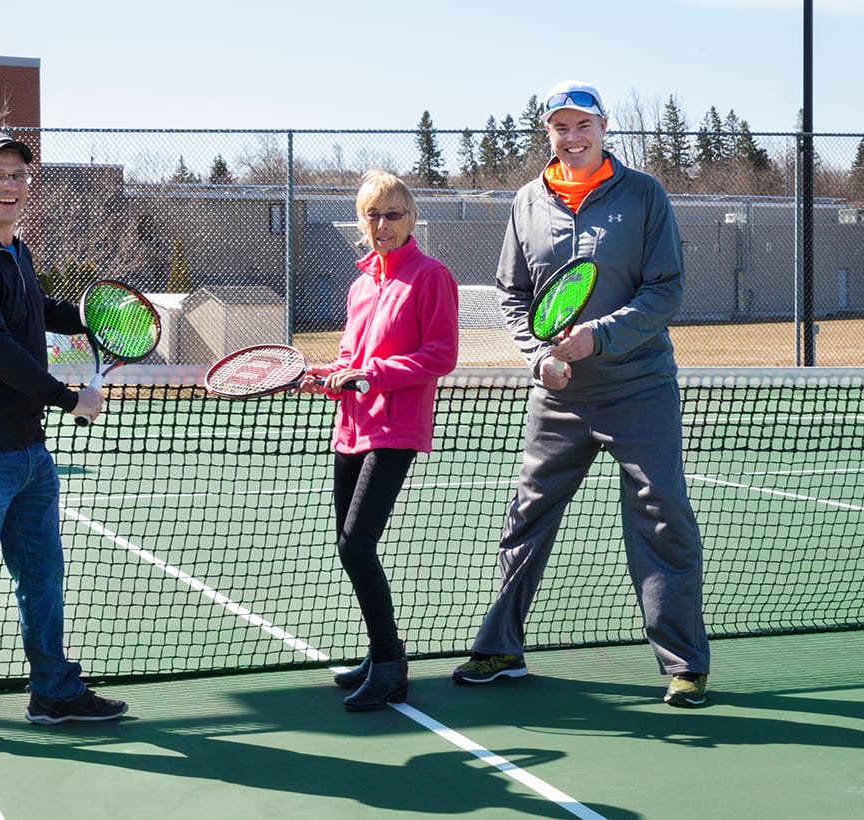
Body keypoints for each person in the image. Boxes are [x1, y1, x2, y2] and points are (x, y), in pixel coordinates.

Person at [452, 81, 711, 707]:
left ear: (603, 128)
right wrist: (539, 357)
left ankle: (684, 665)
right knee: (526, 516)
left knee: (662, 515)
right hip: (558, 397)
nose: (572, 138)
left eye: (583, 126)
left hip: (638, 387)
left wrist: (600, 336)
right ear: (548, 133)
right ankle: (501, 646)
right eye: (560, 127)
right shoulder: (526, 201)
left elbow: (665, 289)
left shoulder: (644, 194)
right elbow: (513, 295)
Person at [0, 132, 127, 748]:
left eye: (18, 174)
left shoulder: (16, 252)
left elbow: (34, 311)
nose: (10, 184)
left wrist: (93, 316)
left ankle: (54, 693)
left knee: (43, 577)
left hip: (29, 453)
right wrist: (70, 399)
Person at [300, 169, 459, 711]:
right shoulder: (360, 283)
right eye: (374, 214)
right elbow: (351, 359)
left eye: (394, 214)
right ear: (361, 222)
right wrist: (327, 376)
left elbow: (441, 355)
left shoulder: (431, 275)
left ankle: (390, 666)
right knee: (350, 548)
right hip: (352, 426)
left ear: (411, 218)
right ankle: (381, 652)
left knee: (355, 544)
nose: (384, 224)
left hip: (396, 427)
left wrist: (374, 376)